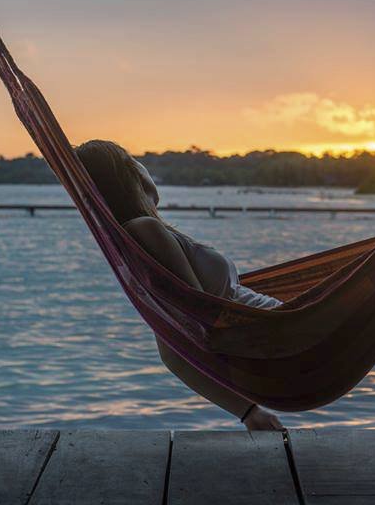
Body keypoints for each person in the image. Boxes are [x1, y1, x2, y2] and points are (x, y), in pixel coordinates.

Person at [74, 139, 284, 431]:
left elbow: (175, 345)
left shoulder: (143, 231)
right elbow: (195, 316)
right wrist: (248, 412)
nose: (141, 165)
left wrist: (248, 412)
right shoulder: (144, 229)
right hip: (282, 330)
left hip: (284, 325)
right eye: (132, 159)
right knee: (373, 267)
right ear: (127, 173)